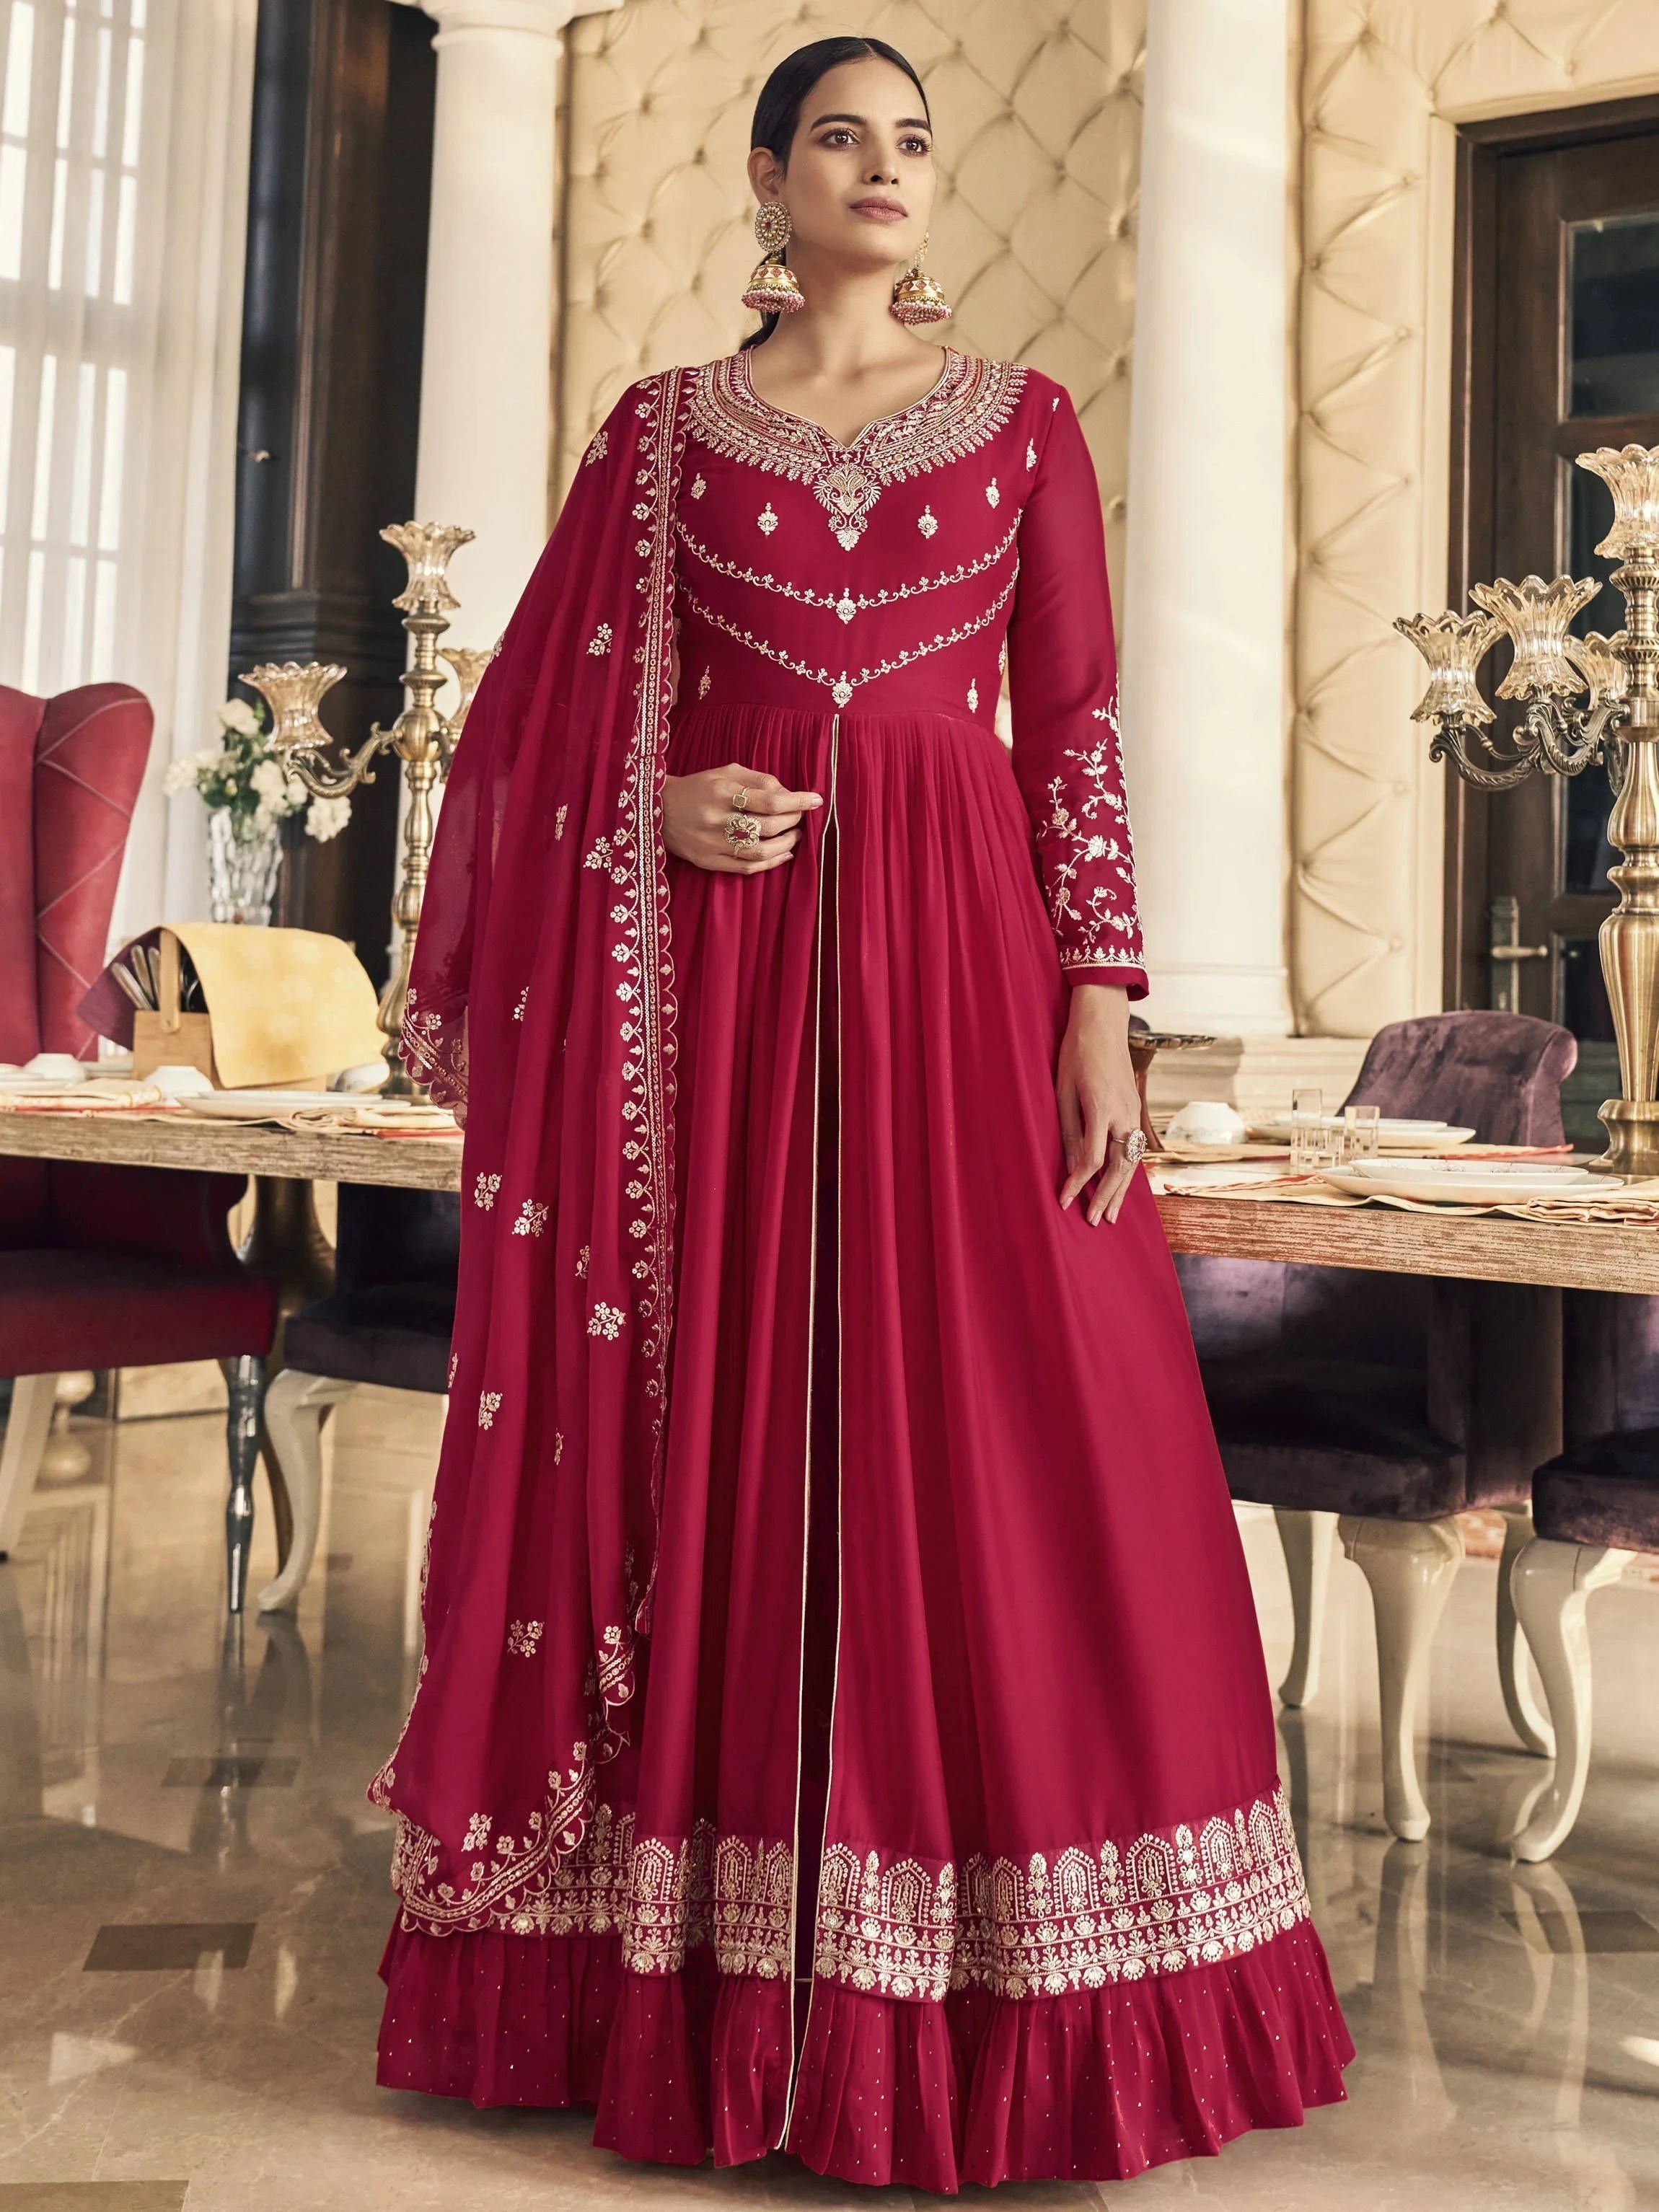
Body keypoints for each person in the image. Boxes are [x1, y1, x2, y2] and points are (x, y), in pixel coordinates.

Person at [374, 35, 1352, 2190]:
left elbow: (1072, 723)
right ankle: (706, 1983)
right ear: (768, 175)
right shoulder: (654, 439)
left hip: (960, 966)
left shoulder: (1022, 427)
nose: (887, 169)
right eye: (844, 136)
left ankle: (1013, 1998)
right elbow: (533, 729)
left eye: (913, 142)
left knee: (1011, 1412)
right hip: (716, 999)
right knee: (733, 1405)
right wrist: (652, 801)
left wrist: (1101, 998)